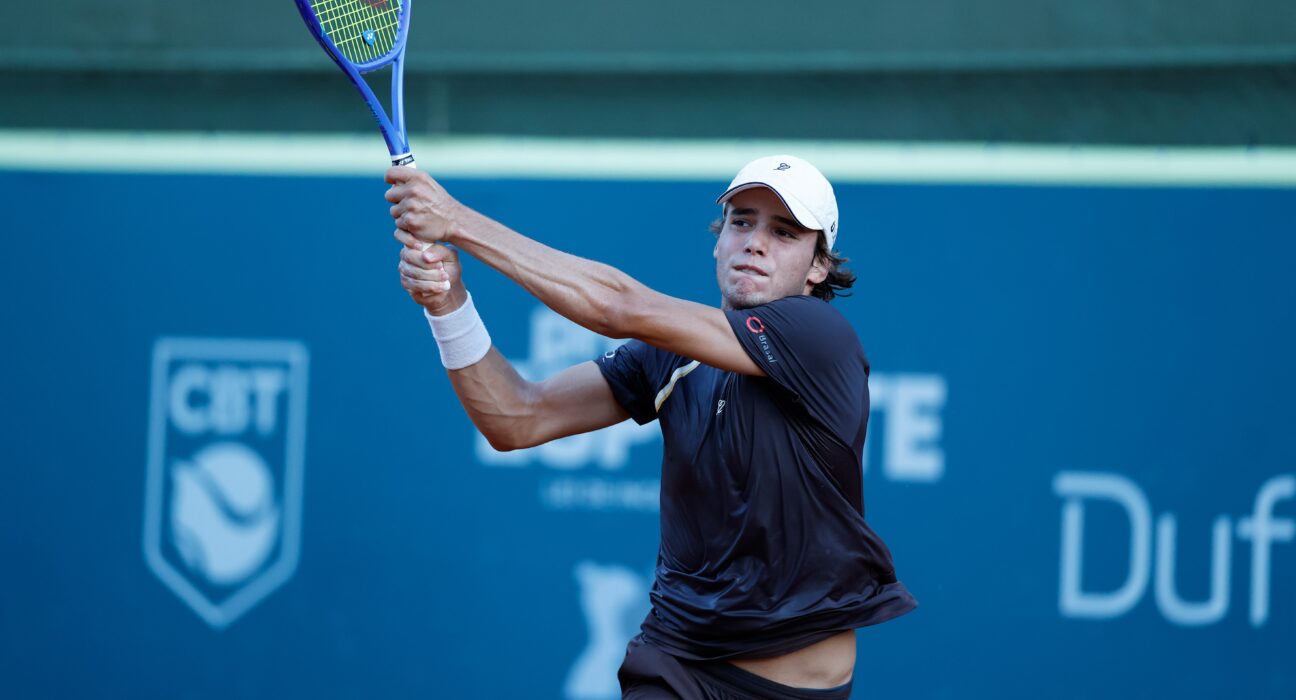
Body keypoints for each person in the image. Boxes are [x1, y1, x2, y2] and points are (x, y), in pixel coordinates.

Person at [386, 155, 917, 699]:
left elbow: (619, 307)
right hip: (676, 666)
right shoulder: (669, 358)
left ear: (818, 267)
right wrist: (447, 304)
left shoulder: (820, 336)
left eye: (784, 232)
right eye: (741, 222)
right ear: (718, 242)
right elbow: (516, 418)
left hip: (793, 689)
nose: (755, 243)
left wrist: (456, 221)